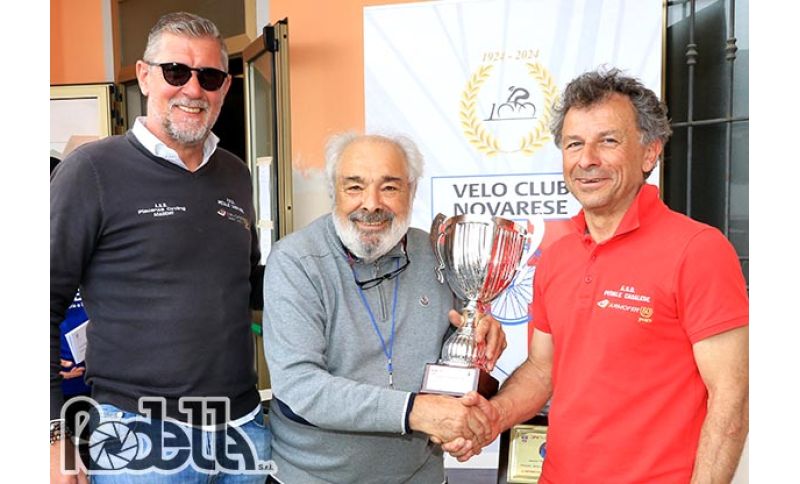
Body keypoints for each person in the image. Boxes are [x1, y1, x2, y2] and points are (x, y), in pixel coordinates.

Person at [444, 68, 749, 483]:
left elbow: (731, 401)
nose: (587, 159)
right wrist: (491, 417)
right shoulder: (556, 255)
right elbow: (542, 370)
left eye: (608, 141)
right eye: (574, 144)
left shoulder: (698, 250)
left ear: (649, 153)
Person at [50, 12, 270, 483]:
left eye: (209, 76)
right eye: (176, 71)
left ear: (225, 88)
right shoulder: (91, 171)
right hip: (140, 438)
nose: (193, 89)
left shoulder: (235, 174)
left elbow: (248, 284)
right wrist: (53, 436)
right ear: (145, 76)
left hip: (242, 432)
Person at [261, 132, 506, 483]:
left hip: (420, 476)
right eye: (354, 187)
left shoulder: (439, 253)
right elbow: (300, 386)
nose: (372, 203)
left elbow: (454, 351)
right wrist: (414, 411)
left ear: (412, 191)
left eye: (389, 187)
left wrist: (477, 335)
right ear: (333, 191)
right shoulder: (295, 261)